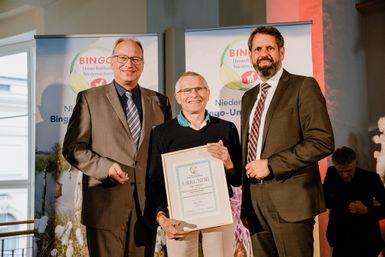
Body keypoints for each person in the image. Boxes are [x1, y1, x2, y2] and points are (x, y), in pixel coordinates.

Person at [62, 38, 172, 257]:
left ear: (142, 63)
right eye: (122, 58)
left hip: (146, 208)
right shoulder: (89, 99)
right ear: (111, 62)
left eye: (135, 58)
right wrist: (105, 168)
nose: (128, 63)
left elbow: (166, 152)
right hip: (105, 207)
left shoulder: (160, 102)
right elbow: (73, 148)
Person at [240, 26, 334, 257]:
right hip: (255, 204)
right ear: (251, 55)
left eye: (270, 48)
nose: (264, 54)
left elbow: (322, 141)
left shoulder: (303, 86)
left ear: (281, 52)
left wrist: (271, 164)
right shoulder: (248, 97)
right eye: (258, 49)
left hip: (290, 201)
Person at [145, 71, 242, 257]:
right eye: (187, 90)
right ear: (178, 97)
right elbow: (154, 181)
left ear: (208, 93)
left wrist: (228, 161)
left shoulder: (226, 128)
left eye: (199, 89)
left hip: (218, 217)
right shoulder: (162, 133)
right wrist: (162, 218)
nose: (194, 94)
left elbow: (237, 180)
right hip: (179, 218)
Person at [323, 146, 385, 257]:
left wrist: (367, 210)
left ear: (355, 163)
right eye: (341, 171)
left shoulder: (371, 178)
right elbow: (326, 200)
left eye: (349, 170)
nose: (345, 175)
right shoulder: (332, 173)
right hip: (340, 239)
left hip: (366, 241)